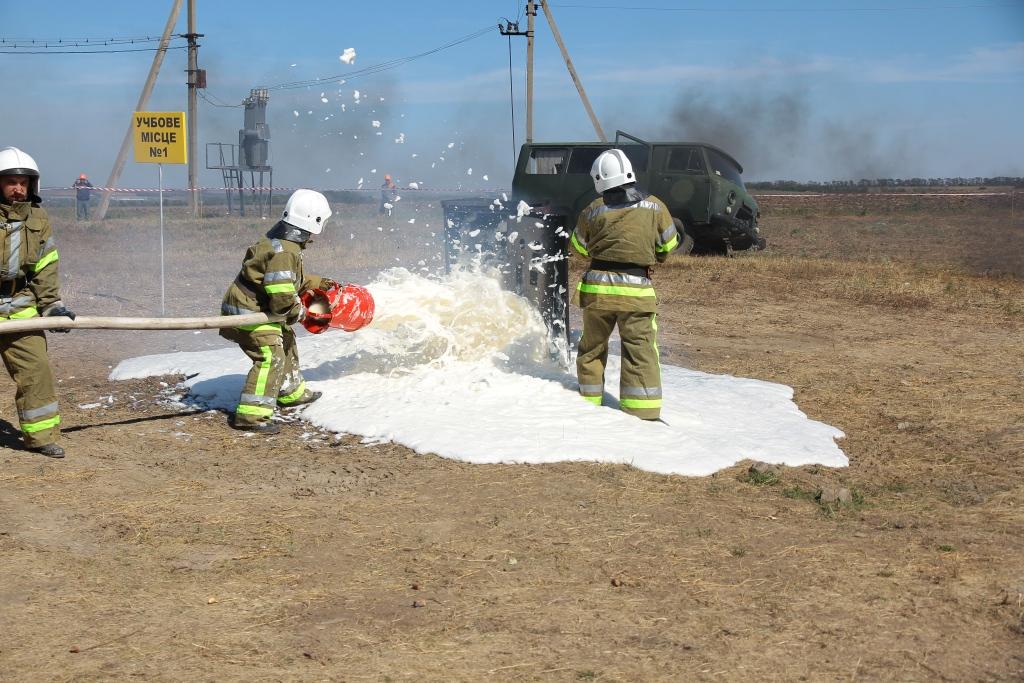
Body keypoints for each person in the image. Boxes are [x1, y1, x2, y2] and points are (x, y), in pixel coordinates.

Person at [570, 149, 680, 421]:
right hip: (636, 294)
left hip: (598, 293)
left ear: (599, 179)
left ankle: (588, 404)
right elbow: (668, 246)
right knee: (640, 350)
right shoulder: (656, 207)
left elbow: (578, 247)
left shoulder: (593, 209)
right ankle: (642, 412)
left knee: (592, 348)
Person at [219, 189, 340, 434]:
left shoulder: (284, 244)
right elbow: (282, 296)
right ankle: (251, 416)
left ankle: (290, 392)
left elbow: (288, 280)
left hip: (256, 307)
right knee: (270, 356)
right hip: (248, 313)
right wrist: (304, 314)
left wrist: (319, 283)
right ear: (314, 221)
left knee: (286, 339)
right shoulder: (285, 252)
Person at [0, 147, 76, 458]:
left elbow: (45, 266)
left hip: (19, 305)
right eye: (10, 182)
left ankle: (41, 436)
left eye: (23, 182)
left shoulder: (38, 218)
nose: (18, 189)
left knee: (36, 370)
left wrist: (51, 306)